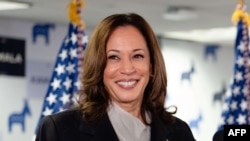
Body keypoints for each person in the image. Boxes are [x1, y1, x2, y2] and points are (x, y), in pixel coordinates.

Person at [35, 12, 196, 141]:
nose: (127, 68)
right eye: (113, 57)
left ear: (152, 66)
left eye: (137, 56)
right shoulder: (60, 130)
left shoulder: (178, 132)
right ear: (99, 67)